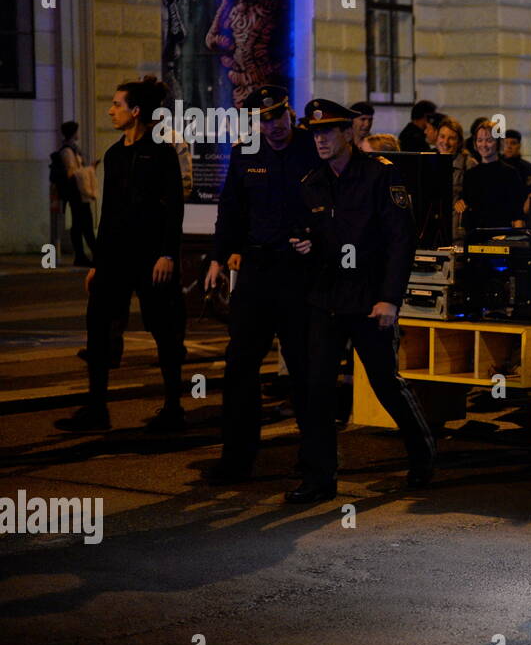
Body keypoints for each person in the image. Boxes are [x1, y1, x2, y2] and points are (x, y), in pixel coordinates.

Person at [292, 99, 437, 503]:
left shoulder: (378, 175)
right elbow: (312, 234)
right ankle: (320, 477)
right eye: (315, 133)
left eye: (328, 132)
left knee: (385, 383)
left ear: (347, 133)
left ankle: (422, 456)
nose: (320, 139)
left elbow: (400, 240)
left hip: (369, 299)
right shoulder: (312, 182)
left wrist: (390, 299)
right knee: (317, 389)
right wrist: (304, 244)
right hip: (326, 299)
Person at [55, 76, 187, 433]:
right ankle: (97, 409)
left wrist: (168, 255)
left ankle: (174, 406)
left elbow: (174, 207)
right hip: (115, 259)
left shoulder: (160, 152)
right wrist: (98, 264)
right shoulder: (114, 155)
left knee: (164, 330)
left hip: (152, 258)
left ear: (136, 111)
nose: (111, 110)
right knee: (98, 329)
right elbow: (109, 213)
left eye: (117, 104)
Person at [203, 85, 320, 484]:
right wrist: (219, 257)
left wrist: (318, 239)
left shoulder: (313, 148)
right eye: (264, 119)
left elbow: (339, 205)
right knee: (239, 365)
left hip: (301, 272)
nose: (273, 125)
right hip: (257, 268)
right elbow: (231, 208)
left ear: (290, 111)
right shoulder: (246, 151)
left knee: (304, 369)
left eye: (278, 115)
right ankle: (236, 459)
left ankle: (314, 462)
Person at [458, 118, 527, 231]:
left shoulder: (511, 174)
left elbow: (518, 213)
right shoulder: (470, 175)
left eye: (489, 140)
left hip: (502, 236)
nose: (484, 145)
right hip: (475, 236)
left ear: (498, 142)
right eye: (480, 140)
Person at [54, 120, 96, 266]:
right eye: (77, 131)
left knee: (80, 225)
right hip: (76, 193)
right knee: (85, 225)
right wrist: (89, 169)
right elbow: (72, 173)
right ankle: (87, 256)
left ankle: (84, 256)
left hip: (79, 193)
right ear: (73, 133)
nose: (78, 133)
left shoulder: (73, 149)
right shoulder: (67, 151)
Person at [431, 118, 477, 242]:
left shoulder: (469, 164)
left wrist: (466, 201)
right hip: (432, 234)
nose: (445, 142)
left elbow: (477, 197)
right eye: (442, 136)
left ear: (459, 142)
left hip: (457, 236)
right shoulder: (428, 161)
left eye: (451, 138)